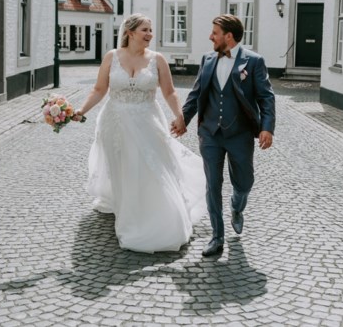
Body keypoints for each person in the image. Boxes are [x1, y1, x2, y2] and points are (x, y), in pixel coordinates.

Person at [75, 13, 207, 253]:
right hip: (114, 122)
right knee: (123, 170)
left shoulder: (157, 60)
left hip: (147, 121)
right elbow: (99, 89)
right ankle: (127, 213)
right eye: (145, 30)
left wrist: (179, 115)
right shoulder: (111, 57)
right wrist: (81, 110)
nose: (150, 35)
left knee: (150, 168)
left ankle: (154, 217)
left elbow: (169, 92)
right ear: (130, 32)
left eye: (150, 30)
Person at [171, 14, 276, 257]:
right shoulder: (207, 60)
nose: (210, 37)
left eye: (215, 33)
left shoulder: (253, 61)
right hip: (210, 134)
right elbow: (197, 94)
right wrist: (183, 120)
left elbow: (266, 97)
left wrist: (267, 127)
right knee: (213, 185)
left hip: (239, 134)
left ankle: (237, 206)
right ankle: (217, 237)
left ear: (228, 36)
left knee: (245, 182)